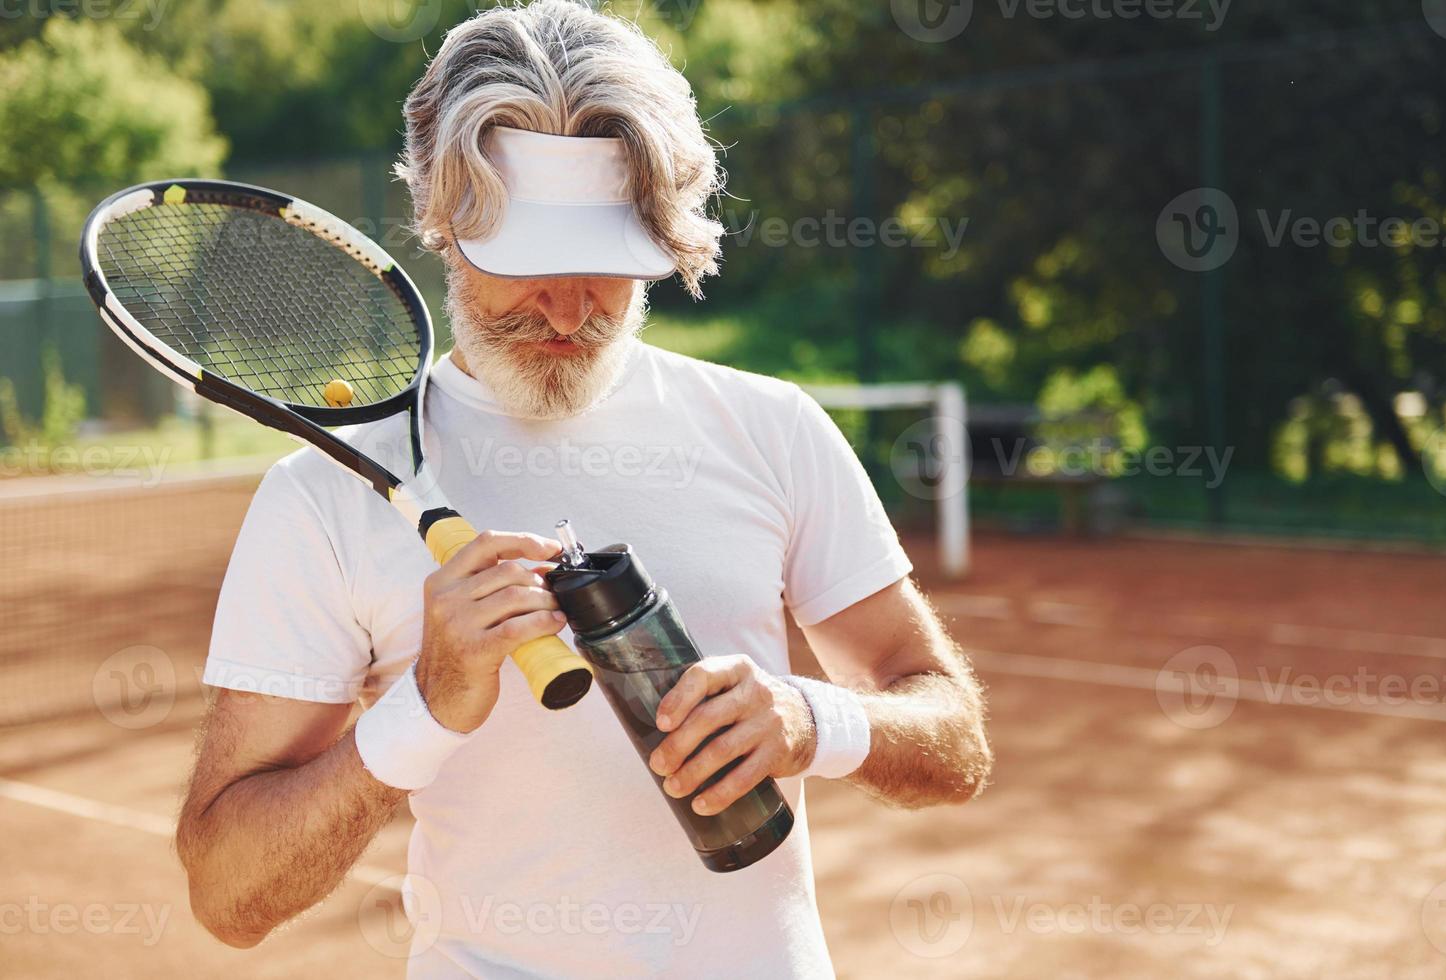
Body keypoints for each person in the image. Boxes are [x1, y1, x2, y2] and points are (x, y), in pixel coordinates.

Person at [176, 2, 991, 976]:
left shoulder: (770, 429)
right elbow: (228, 892)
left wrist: (812, 720)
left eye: (605, 261)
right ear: (444, 221)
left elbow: (955, 741)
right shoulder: (323, 495)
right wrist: (422, 709)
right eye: (528, 262)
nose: (567, 307)